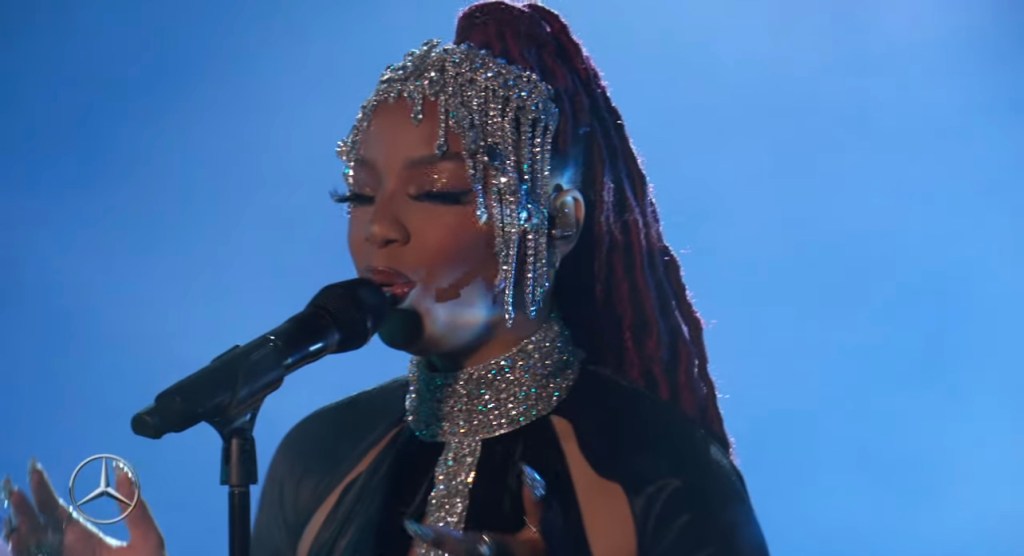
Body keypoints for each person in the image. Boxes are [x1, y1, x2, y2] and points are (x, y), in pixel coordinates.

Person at [2, 2, 769, 555]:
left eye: (436, 192)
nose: (380, 227)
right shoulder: (320, 455)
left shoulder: (660, 470)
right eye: (359, 195)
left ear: (558, 223)